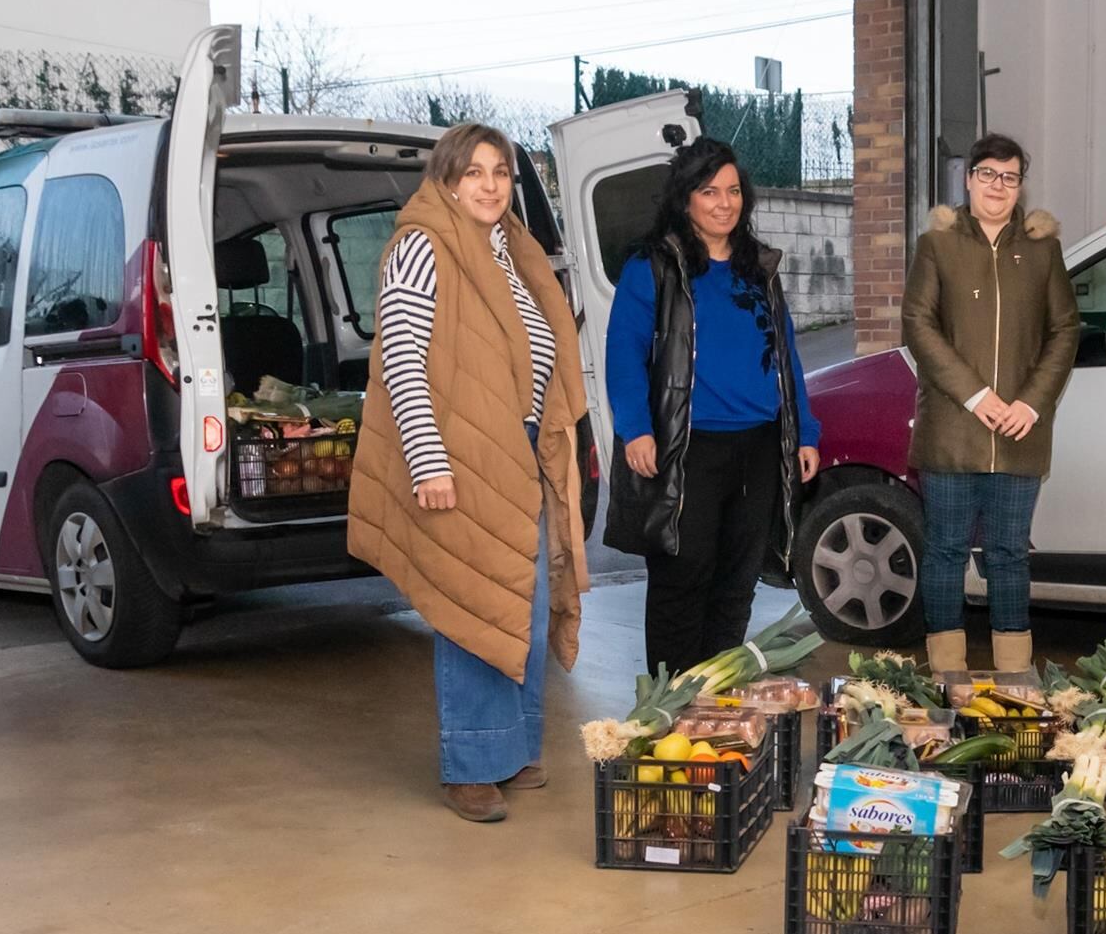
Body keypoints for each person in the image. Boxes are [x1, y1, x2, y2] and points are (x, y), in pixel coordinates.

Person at [348, 123, 592, 824]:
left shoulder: (510, 251)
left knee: (522, 601)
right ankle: (471, 766)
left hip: (516, 452)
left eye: (502, 173)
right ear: (447, 179)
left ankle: (511, 748)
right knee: (471, 603)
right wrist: (428, 461)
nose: (490, 185)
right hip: (457, 454)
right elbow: (401, 359)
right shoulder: (421, 247)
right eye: (475, 171)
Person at [604, 137, 821, 677]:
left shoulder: (758, 268)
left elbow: (787, 354)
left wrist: (806, 433)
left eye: (732, 191)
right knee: (683, 575)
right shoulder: (653, 267)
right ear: (685, 200)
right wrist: (635, 429)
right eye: (709, 191)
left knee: (737, 580)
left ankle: (716, 697)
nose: (724, 203)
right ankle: (670, 701)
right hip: (687, 447)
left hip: (759, 445)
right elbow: (623, 356)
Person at [901, 132, 1080, 674]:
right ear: (968, 178)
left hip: (1020, 433)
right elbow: (918, 324)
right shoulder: (938, 245)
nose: (998, 186)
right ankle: (947, 672)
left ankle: (1014, 676)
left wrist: (1030, 404)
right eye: (988, 174)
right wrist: (977, 396)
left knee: (1008, 555)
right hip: (953, 433)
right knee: (946, 552)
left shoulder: (1043, 249)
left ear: (1020, 183)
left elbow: (1066, 329)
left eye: (1010, 176)